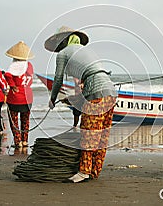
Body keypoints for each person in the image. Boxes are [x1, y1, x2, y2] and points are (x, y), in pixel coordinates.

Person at [46, 26, 117, 183]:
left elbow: (58, 79)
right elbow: (89, 78)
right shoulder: (86, 51)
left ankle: (84, 171)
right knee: (102, 136)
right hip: (110, 92)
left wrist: (52, 99)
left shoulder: (64, 53)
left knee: (89, 133)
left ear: (63, 40)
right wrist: (72, 100)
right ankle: (95, 170)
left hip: (96, 93)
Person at [4, 41, 34, 148]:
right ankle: (25, 141)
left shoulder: (15, 65)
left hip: (15, 98)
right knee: (25, 120)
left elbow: (7, 75)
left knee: (14, 121)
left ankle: (18, 142)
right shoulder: (29, 65)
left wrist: (12, 86)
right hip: (28, 98)